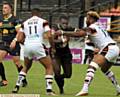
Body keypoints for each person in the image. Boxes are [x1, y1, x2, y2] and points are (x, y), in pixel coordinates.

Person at [55, 11, 120, 96]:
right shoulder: (99, 26)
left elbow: (80, 34)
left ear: (92, 19)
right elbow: (85, 33)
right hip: (114, 48)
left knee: (91, 67)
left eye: (88, 18)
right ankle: (118, 88)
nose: (86, 19)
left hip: (108, 48)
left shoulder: (92, 27)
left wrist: (63, 32)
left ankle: (84, 89)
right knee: (105, 69)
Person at [12, 8, 56, 96]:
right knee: (49, 66)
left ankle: (17, 85)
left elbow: (19, 38)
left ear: (31, 14)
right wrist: (52, 46)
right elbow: (49, 35)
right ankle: (49, 90)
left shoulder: (25, 23)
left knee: (26, 67)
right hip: (38, 45)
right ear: (39, 14)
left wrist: (27, 43)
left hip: (27, 46)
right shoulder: (43, 21)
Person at [0, 2, 27, 87]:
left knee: (17, 63)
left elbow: (19, 32)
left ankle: (24, 80)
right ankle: (4, 80)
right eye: (3, 8)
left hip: (14, 44)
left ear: (10, 9)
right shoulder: (0, 19)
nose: (3, 9)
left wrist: (15, 40)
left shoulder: (15, 20)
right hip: (4, 44)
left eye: (5, 8)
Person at [50, 15, 75, 94]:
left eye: (66, 23)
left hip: (66, 53)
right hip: (55, 52)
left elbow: (78, 31)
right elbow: (51, 40)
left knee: (68, 74)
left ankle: (58, 77)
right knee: (57, 71)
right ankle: (61, 89)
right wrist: (62, 41)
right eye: (63, 23)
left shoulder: (68, 28)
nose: (65, 25)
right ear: (59, 22)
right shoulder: (54, 28)